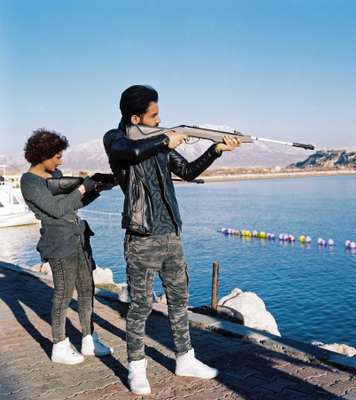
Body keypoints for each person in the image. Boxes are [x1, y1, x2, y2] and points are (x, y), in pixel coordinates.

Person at [103, 85, 240, 395]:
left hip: (171, 234)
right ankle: (136, 368)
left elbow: (189, 171)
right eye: (154, 115)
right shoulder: (115, 139)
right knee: (140, 307)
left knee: (179, 302)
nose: (160, 119)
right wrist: (166, 138)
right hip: (142, 236)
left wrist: (215, 150)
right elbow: (131, 152)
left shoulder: (159, 144)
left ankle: (185, 358)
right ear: (136, 117)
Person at [20, 129, 113, 365]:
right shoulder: (29, 182)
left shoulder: (57, 175)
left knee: (86, 291)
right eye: (57, 156)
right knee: (62, 294)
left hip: (79, 239)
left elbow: (73, 205)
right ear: (43, 155)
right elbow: (56, 209)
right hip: (58, 244)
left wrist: (96, 189)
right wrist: (83, 187)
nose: (60, 161)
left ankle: (89, 340)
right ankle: (59, 345)